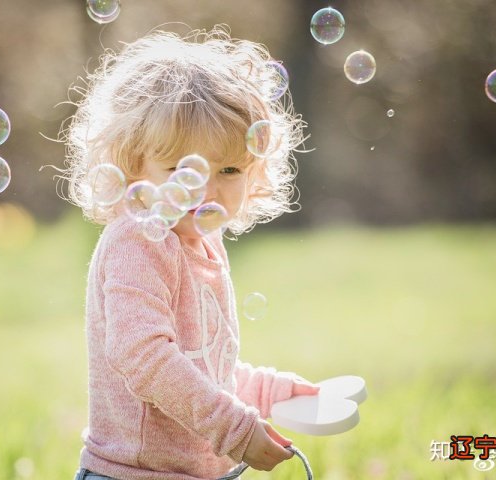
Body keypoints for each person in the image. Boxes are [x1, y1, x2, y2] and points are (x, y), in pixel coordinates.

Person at [61, 25, 318, 480]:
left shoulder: (203, 242)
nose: (208, 189)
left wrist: (270, 393)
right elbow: (146, 359)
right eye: (183, 168)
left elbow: (203, 366)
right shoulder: (139, 240)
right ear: (131, 163)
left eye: (231, 168)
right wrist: (235, 429)